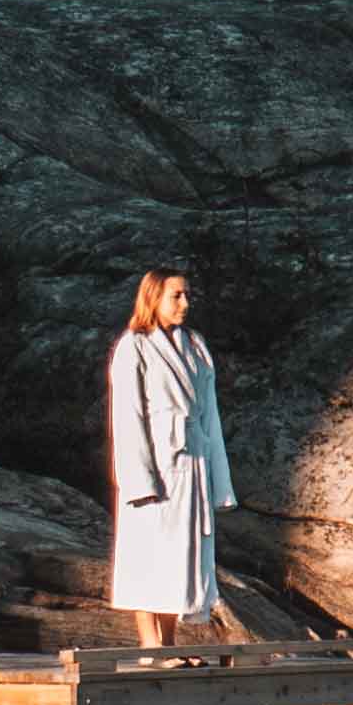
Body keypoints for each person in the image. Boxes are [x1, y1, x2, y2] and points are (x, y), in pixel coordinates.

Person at [105, 266, 232, 648]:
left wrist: (218, 480)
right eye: (176, 295)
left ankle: (170, 645)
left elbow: (210, 415)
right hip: (156, 463)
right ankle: (150, 645)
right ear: (153, 297)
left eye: (187, 295)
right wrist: (139, 478)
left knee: (181, 555)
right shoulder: (135, 345)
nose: (185, 303)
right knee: (147, 550)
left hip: (192, 461)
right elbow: (128, 416)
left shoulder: (196, 345)